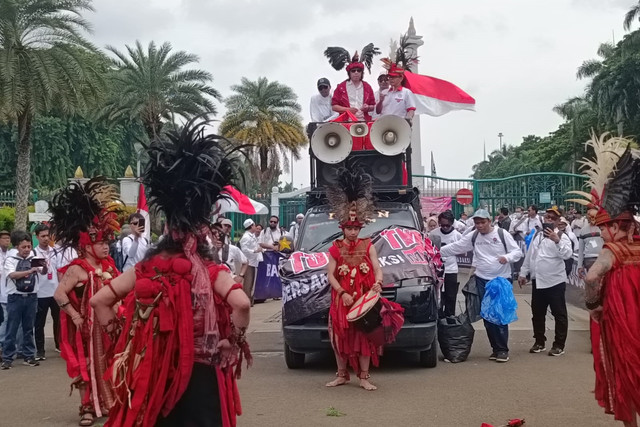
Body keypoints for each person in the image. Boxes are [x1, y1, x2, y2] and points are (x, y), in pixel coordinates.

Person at [90, 118, 251, 427]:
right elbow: (242, 304)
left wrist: (120, 341)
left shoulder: (144, 269)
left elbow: (99, 302)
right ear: (202, 230)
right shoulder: (211, 269)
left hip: (153, 373)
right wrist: (233, 339)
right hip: (202, 371)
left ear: (166, 229)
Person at [48, 177, 122, 426]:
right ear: (87, 245)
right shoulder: (77, 269)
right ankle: (86, 407)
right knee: (86, 364)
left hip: (110, 326)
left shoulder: (109, 265)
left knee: (111, 362)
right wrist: (76, 316)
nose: (106, 247)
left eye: (107, 243)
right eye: (100, 243)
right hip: (86, 328)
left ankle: (110, 402)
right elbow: (59, 294)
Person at [324, 167, 403, 391]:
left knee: (364, 338)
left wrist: (378, 283)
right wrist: (343, 293)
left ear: (360, 227)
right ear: (343, 227)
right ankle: (341, 375)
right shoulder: (335, 248)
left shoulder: (368, 245)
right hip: (342, 299)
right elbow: (330, 274)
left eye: (355, 228)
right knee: (340, 337)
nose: (352, 232)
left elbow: (377, 267)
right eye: (349, 228)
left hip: (364, 298)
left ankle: (364, 377)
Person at [439, 209, 522, 363]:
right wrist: (435, 251)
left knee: (498, 315)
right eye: (477, 223)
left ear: (489, 221)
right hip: (481, 280)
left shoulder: (502, 234)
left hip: (499, 281)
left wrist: (507, 257)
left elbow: (517, 252)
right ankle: (495, 348)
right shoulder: (474, 235)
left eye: (483, 222)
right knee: (487, 316)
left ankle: (503, 349)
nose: (480, 226)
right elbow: (456, 247)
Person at [518, 207, 573, 356]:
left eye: (552, 218)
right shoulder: (537, 235)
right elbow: (530, 256)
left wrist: (557, 241)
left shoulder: (562, 236)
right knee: (537, 313)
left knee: (559, 314)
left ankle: (559, 344)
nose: (548, 220)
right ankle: (539, 341)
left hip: (555, 281)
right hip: (538, 281)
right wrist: (524, 273)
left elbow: (567, 255)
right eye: (547, 217)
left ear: (557, 221)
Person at [1, 230, 41, 369]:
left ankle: (29, 356)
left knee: (29, 328)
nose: (27, 250)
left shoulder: (35, 257)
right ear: (17, 247)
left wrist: (44, 266)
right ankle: (7, 358)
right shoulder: (10, 260)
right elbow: (12, 275)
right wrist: (29, 271)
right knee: (11, 329)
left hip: (31, 297)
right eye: (23, 247)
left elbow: (44, 271)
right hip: (15, 298)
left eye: (29, 246)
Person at [325, 44, 379, 122]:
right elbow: (334, 106)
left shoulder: (367, 87)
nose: (356, 73)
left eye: (358, 70)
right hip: (346, 121)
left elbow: (373, 106)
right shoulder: (341, 87)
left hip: (364, 121)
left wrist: (367, 107)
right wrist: (348, 110)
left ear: (362, 73)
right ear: (349, 73)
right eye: (353, 71)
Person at [32, 223, 61, 360]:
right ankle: (40, 350)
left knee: (58, 320)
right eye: (42, 236)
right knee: (40, 323)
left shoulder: (55, 251)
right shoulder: (34, 253)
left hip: (54, 292)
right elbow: (39, 272)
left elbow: (58, 271)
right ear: (36, 237)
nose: (45, 238)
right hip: (40, 293)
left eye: (47, 235)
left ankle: (59, 345)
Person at [429, 211, 462, 317]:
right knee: (439, 295)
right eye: (442, 225)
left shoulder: (457, 235)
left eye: (447, 225)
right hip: (437, 270)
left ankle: (450, 316)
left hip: (451, 269)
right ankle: (439, 316)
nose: (445, 227)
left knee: (451, 295)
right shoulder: (433, 234)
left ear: (452, 223)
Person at [240, 219, 263, 305]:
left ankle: (250, 300)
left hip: (253, 262)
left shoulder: (252, 236)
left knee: (251, 283)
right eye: (254, 225)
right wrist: (254, 251)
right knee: (248, 284)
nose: (255, 227)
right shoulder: (246, 237)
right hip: (248, 263)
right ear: (251, 226)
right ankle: (246, 301)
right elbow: (244, 249)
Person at [0, 229, 13, 348]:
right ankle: (2, 344)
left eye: (8, 238)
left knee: (9, 320)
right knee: (5, 320)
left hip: (9, 292)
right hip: (2, 292)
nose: (6, 240)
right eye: (4, 238)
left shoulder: (11, 254)